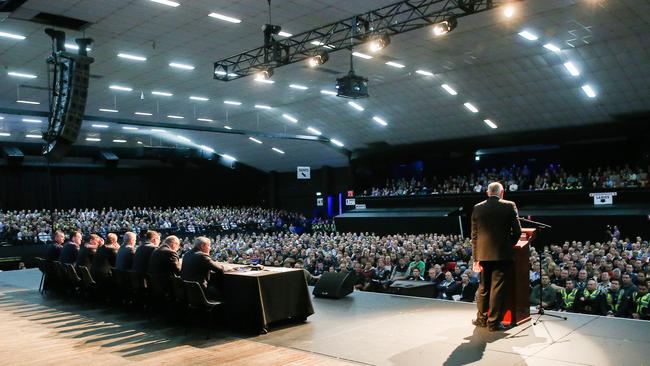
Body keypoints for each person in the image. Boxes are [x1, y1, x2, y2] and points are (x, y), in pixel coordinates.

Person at [471, 182, 522, 331]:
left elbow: (474, 236)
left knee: (483, 287)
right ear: (502, 193)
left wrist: (475, 258)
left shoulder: (477, 207)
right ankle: (493, 323)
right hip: (502, 254)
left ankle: (481, 319)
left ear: (487, 193)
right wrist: (508, 244)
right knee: (497, 288)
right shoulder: (509, 205)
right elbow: (517, 232)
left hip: (482, 254)